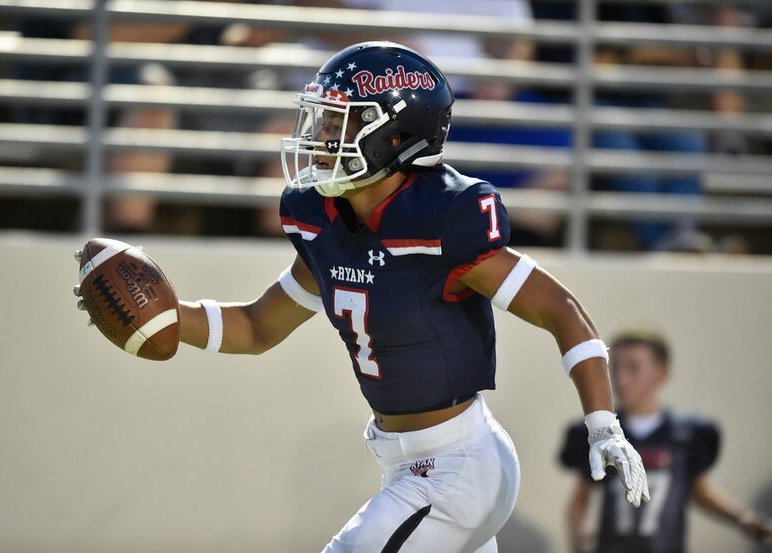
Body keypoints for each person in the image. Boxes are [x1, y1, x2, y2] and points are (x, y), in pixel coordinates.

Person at [76, 41, 649, 552]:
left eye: (337, 124)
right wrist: (168, 318)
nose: (318, 140)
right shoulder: (324, 220)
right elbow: (256, 327)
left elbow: (560, 310)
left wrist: (604, 423)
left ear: (397, 139)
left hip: (455, 469)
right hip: (407, 468)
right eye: (320, 122)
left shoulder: (444, 220)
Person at [560, 328, 772, 553]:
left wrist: (743, 519)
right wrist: (577, 534)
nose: (621, 379)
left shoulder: (687, 434)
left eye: (633, 368)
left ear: (662, 373)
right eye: (615, 368)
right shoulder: (601, 433)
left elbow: (699, 491)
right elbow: (580, 497)